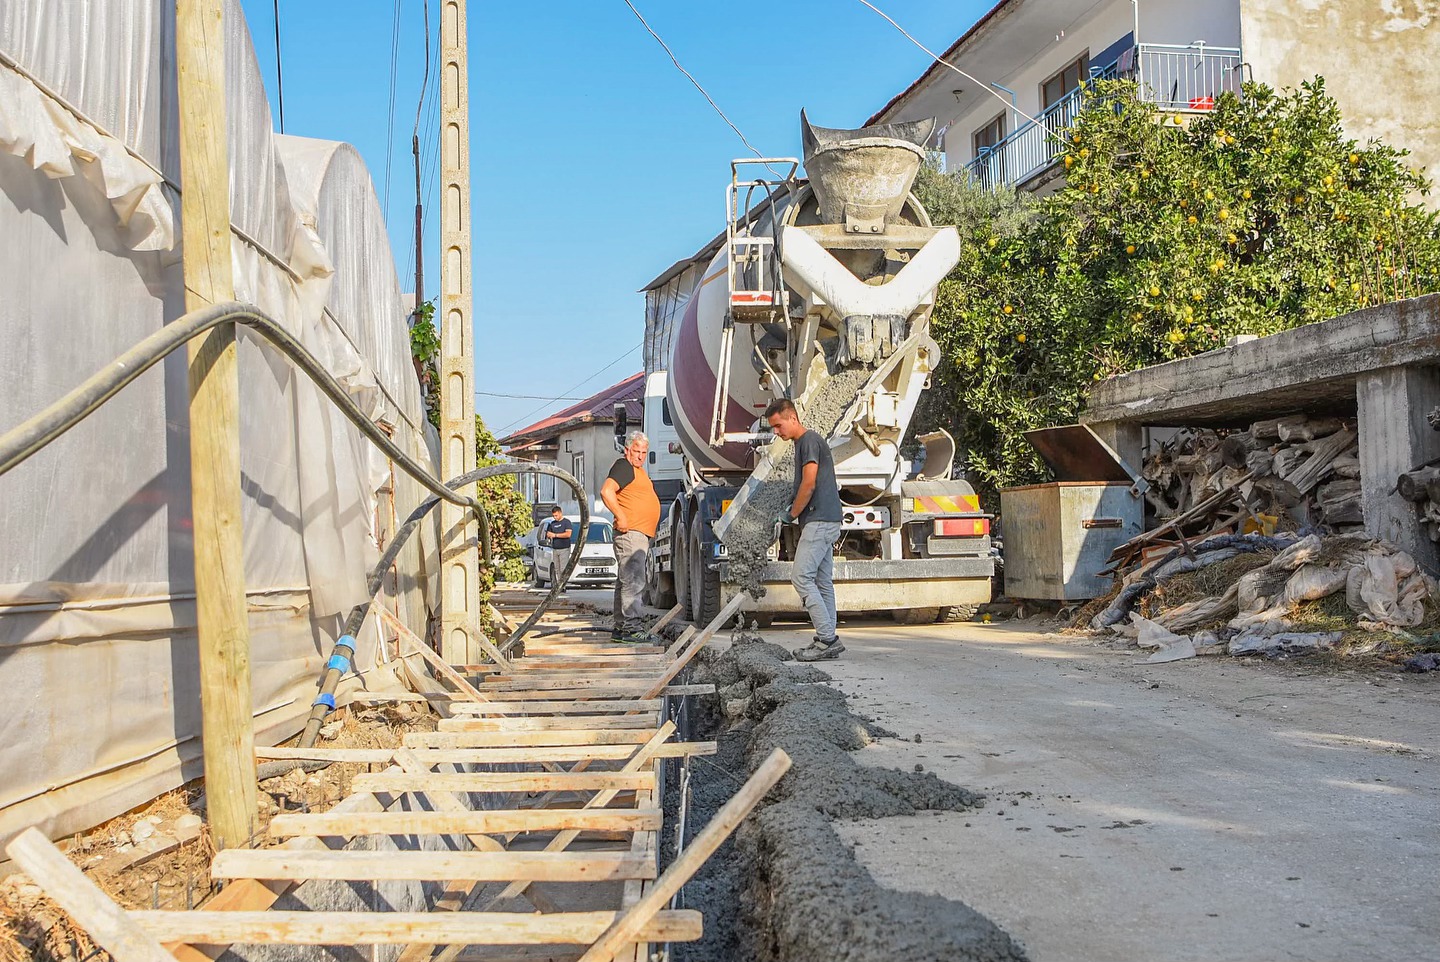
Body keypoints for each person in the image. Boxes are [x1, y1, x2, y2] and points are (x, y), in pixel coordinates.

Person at [765, 398, 844, 661]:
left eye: (778, 425)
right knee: (822, 581)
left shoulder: (809, 440)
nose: (776, 432)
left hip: (819, 520)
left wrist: (791, 513)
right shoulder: (803, 443)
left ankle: (827, 639)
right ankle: (827, 638)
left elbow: (809, 484)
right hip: (826, 519)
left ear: (792, 418)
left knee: (801, 578)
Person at [601, 430, 660, 643]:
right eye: (636, 451)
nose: (640, 456)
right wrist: (621, 516)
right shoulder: (624, 466)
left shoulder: (637, 470)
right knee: (634, 581)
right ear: (627, 450)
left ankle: (621, 627)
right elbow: (607, 491)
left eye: (644, 452)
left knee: (626, 580)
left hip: (638, 533)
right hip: (630, 532)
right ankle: (631, 629)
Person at [542, 505, 573, 592]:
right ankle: (559, 584)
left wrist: (555, 535)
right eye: (553, 516)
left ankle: (563, 585)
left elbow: (568, 534)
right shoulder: (552, 523)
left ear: (560, 513)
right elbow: (548, 534)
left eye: (556, 515)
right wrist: (549, 536)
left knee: (563, 568)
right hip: (555, 548)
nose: (555, 517)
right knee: (557, 568)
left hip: (564, 548)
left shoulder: (566, 522)